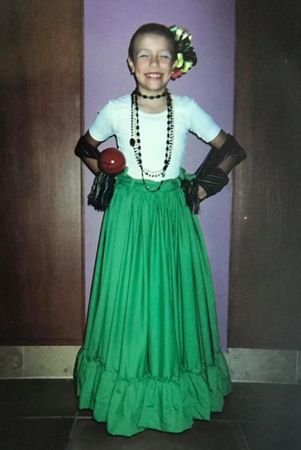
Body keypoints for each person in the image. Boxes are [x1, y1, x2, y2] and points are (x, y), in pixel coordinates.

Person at [73, 23, 246, 437]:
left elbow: (231, 149)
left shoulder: (185, 108)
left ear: (175, 65)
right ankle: (127, 392)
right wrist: (107, 176)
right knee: (127, 296)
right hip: (128, 213)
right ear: (131, 64)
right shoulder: (115, 108)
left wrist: (200, 190)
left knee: (171, 294)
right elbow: (85, 147)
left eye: (163, 55)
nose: (154, 63)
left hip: (172, 212)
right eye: (144, 55)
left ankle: (174, 390)